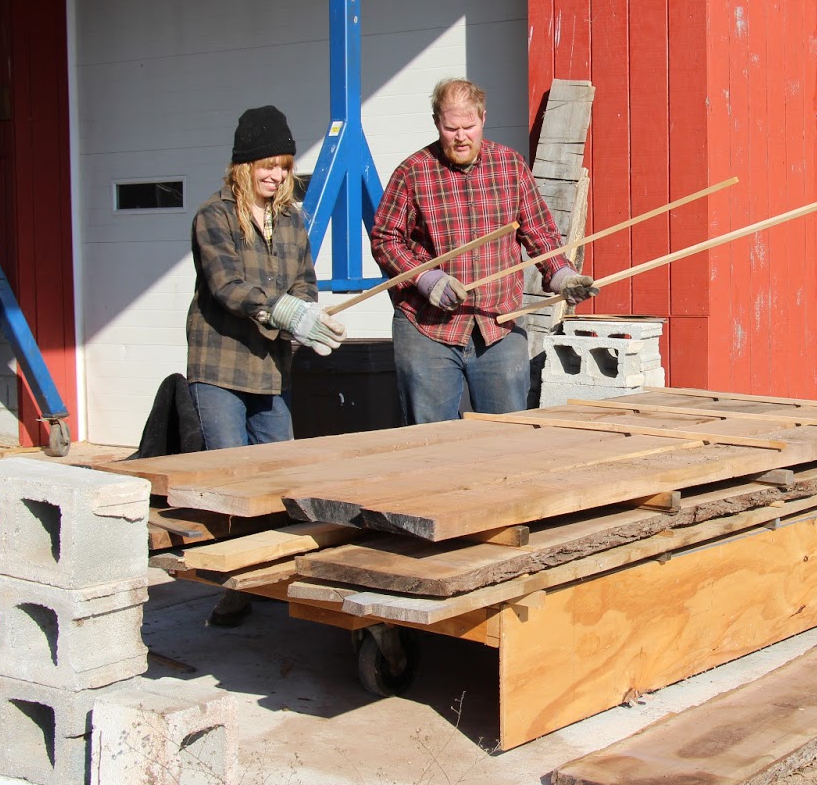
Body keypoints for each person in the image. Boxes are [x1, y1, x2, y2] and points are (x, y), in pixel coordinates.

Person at [187, 104, 344, 623]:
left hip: (270, 366)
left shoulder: (292, 219)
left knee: (280, 472)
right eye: (266, 166)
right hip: (219, 366)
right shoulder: (214, 216)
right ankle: (231, 583)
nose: (276, 176)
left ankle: (278, 567)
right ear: (243, 168)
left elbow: (305, 281)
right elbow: (226, 284)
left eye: (283, 165)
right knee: (231, 477)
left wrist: (304, 313)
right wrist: (279, 309)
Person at [371, 78, 597, 424]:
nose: (461, 136)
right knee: (431, 440)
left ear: (483, 119)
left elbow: (538, 230)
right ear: (437, 124)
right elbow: (385, 238)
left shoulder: (510, 165)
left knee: (507, 437)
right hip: (429, 329)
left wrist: (562, 274)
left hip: (497, 324)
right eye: (451, 128)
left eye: (469, 126)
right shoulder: (412, 172)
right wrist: (427, 278)